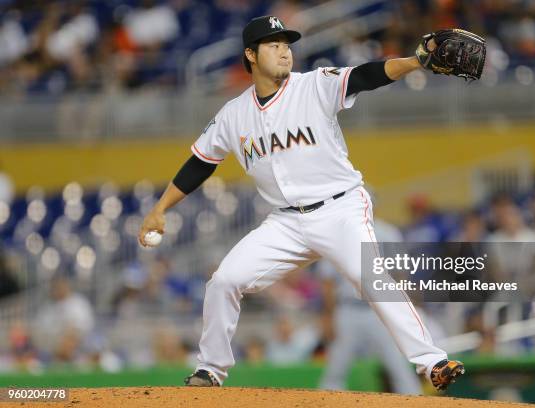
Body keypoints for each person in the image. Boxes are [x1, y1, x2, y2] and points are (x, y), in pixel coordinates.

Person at [139, 16, 470, 390]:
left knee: (373, 278)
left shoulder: (313, 85)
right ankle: (210, 370)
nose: (284, 51)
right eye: (273, 44)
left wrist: (414, 63)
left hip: (340, 208)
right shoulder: (233, 114)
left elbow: (365, 75)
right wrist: (160, 208)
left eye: (287, 44)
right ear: (250, 54)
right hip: (285, 222)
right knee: (224, 280)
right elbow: (201, 162)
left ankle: (433, 363)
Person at [318, 218, 422, 394]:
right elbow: (328, 281)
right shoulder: (338, 235)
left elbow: (400, 274)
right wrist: (328, 315)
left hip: (380, 308)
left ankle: (415, 401)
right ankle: (326, 403)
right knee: (337, 366)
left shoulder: (387, 232)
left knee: (397, 364)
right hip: (347, 309)